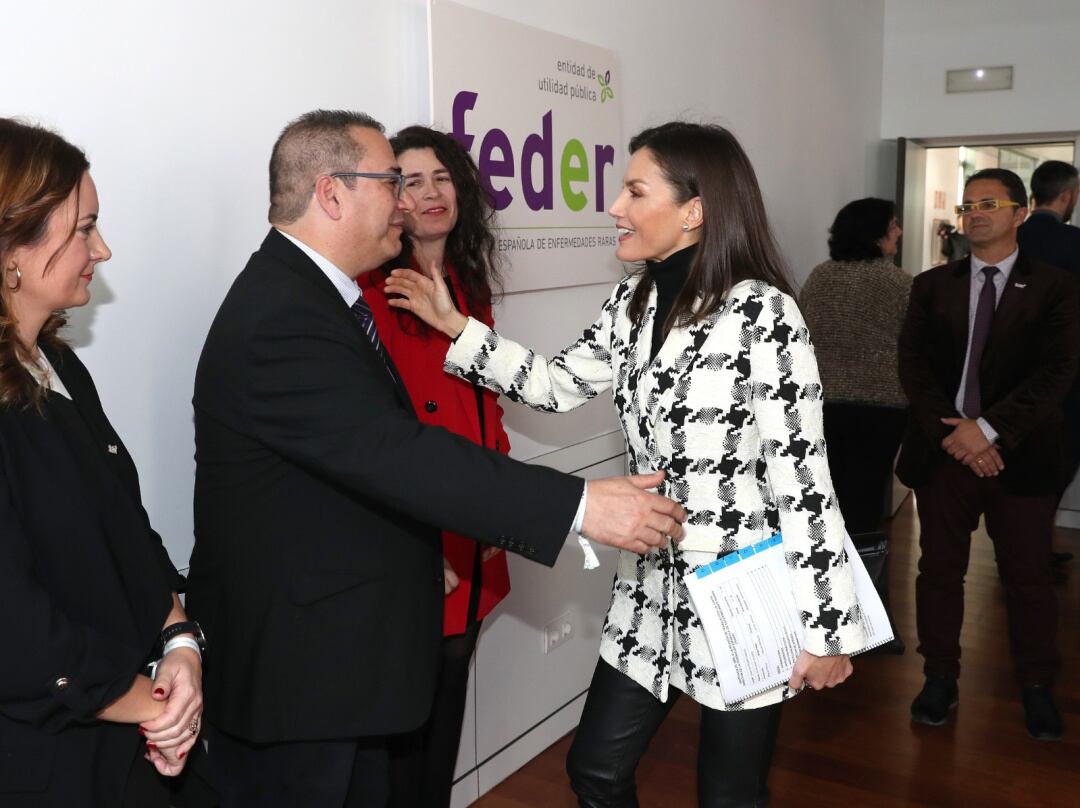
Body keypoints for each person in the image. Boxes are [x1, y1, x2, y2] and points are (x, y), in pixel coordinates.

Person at [184, 109, 686, 808]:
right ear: (332, 194)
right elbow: (397, 452)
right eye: (391, 181)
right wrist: (581, 504)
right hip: (300, 676)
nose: (405, 201)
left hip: (338, 660)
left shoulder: (309, 300)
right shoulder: (283, 315)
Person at [386, 121, 866, 807]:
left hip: (742, 591)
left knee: (730, 794)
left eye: (636, 191)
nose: (615, 206)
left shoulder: (764, 313)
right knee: (596, 771)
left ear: (694, 210)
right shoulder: (633, 299)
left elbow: (805, 481)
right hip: (647, 587)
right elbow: (554, 386)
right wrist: (457, 327)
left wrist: (827, 627)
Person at [0, 118, 204, 806]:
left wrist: (181, 643)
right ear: (12, 251)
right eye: (84, 229)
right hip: (46, 762)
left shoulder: (57, 363)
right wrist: (151, 705)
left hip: (118, 735)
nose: (103, 249)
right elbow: (17, 630)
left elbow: (126, 528)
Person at [358, 125, 512, 807]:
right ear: (390, 197)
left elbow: (487, 403)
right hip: (422, 531)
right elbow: (373, 430)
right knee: (408, 722)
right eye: (410, 180)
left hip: (472, 521)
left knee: (448, 703)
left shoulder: (467, 284)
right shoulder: (372, 289)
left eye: (441, 177)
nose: (429, 194)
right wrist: (411, 535)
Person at [898, 168, 1080, 741]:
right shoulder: (931, 286)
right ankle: (939, 677)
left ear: (1020, 213)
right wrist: (956, 434)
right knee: (938, 572)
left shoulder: (1056, 286)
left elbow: (1058, 372)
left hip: (1019, 456)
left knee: (1027, 577)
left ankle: (1035, 685)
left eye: (990, 203)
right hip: (944, 452)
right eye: (968, 204)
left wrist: (990, 430)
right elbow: (915, 368)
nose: (975, 213)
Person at [800, 198, 911, 535]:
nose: (899, 232)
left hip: (822, 404)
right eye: (893, 225)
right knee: (865, 499)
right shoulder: (901, 284)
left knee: (822, 495)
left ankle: (825, 572)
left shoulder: (819, 277)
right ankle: (863, 574)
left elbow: (802, 333)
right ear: (875, 233)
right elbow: (917, 347)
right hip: (883, 408)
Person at [1017, 160, 1080, 530]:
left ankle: (1023, 538)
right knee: (1061, 454)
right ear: (1068, 195)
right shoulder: (1075, 242)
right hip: (1067, 373)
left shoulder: (1010, 239)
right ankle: (1035, 539)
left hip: (1008, 372)